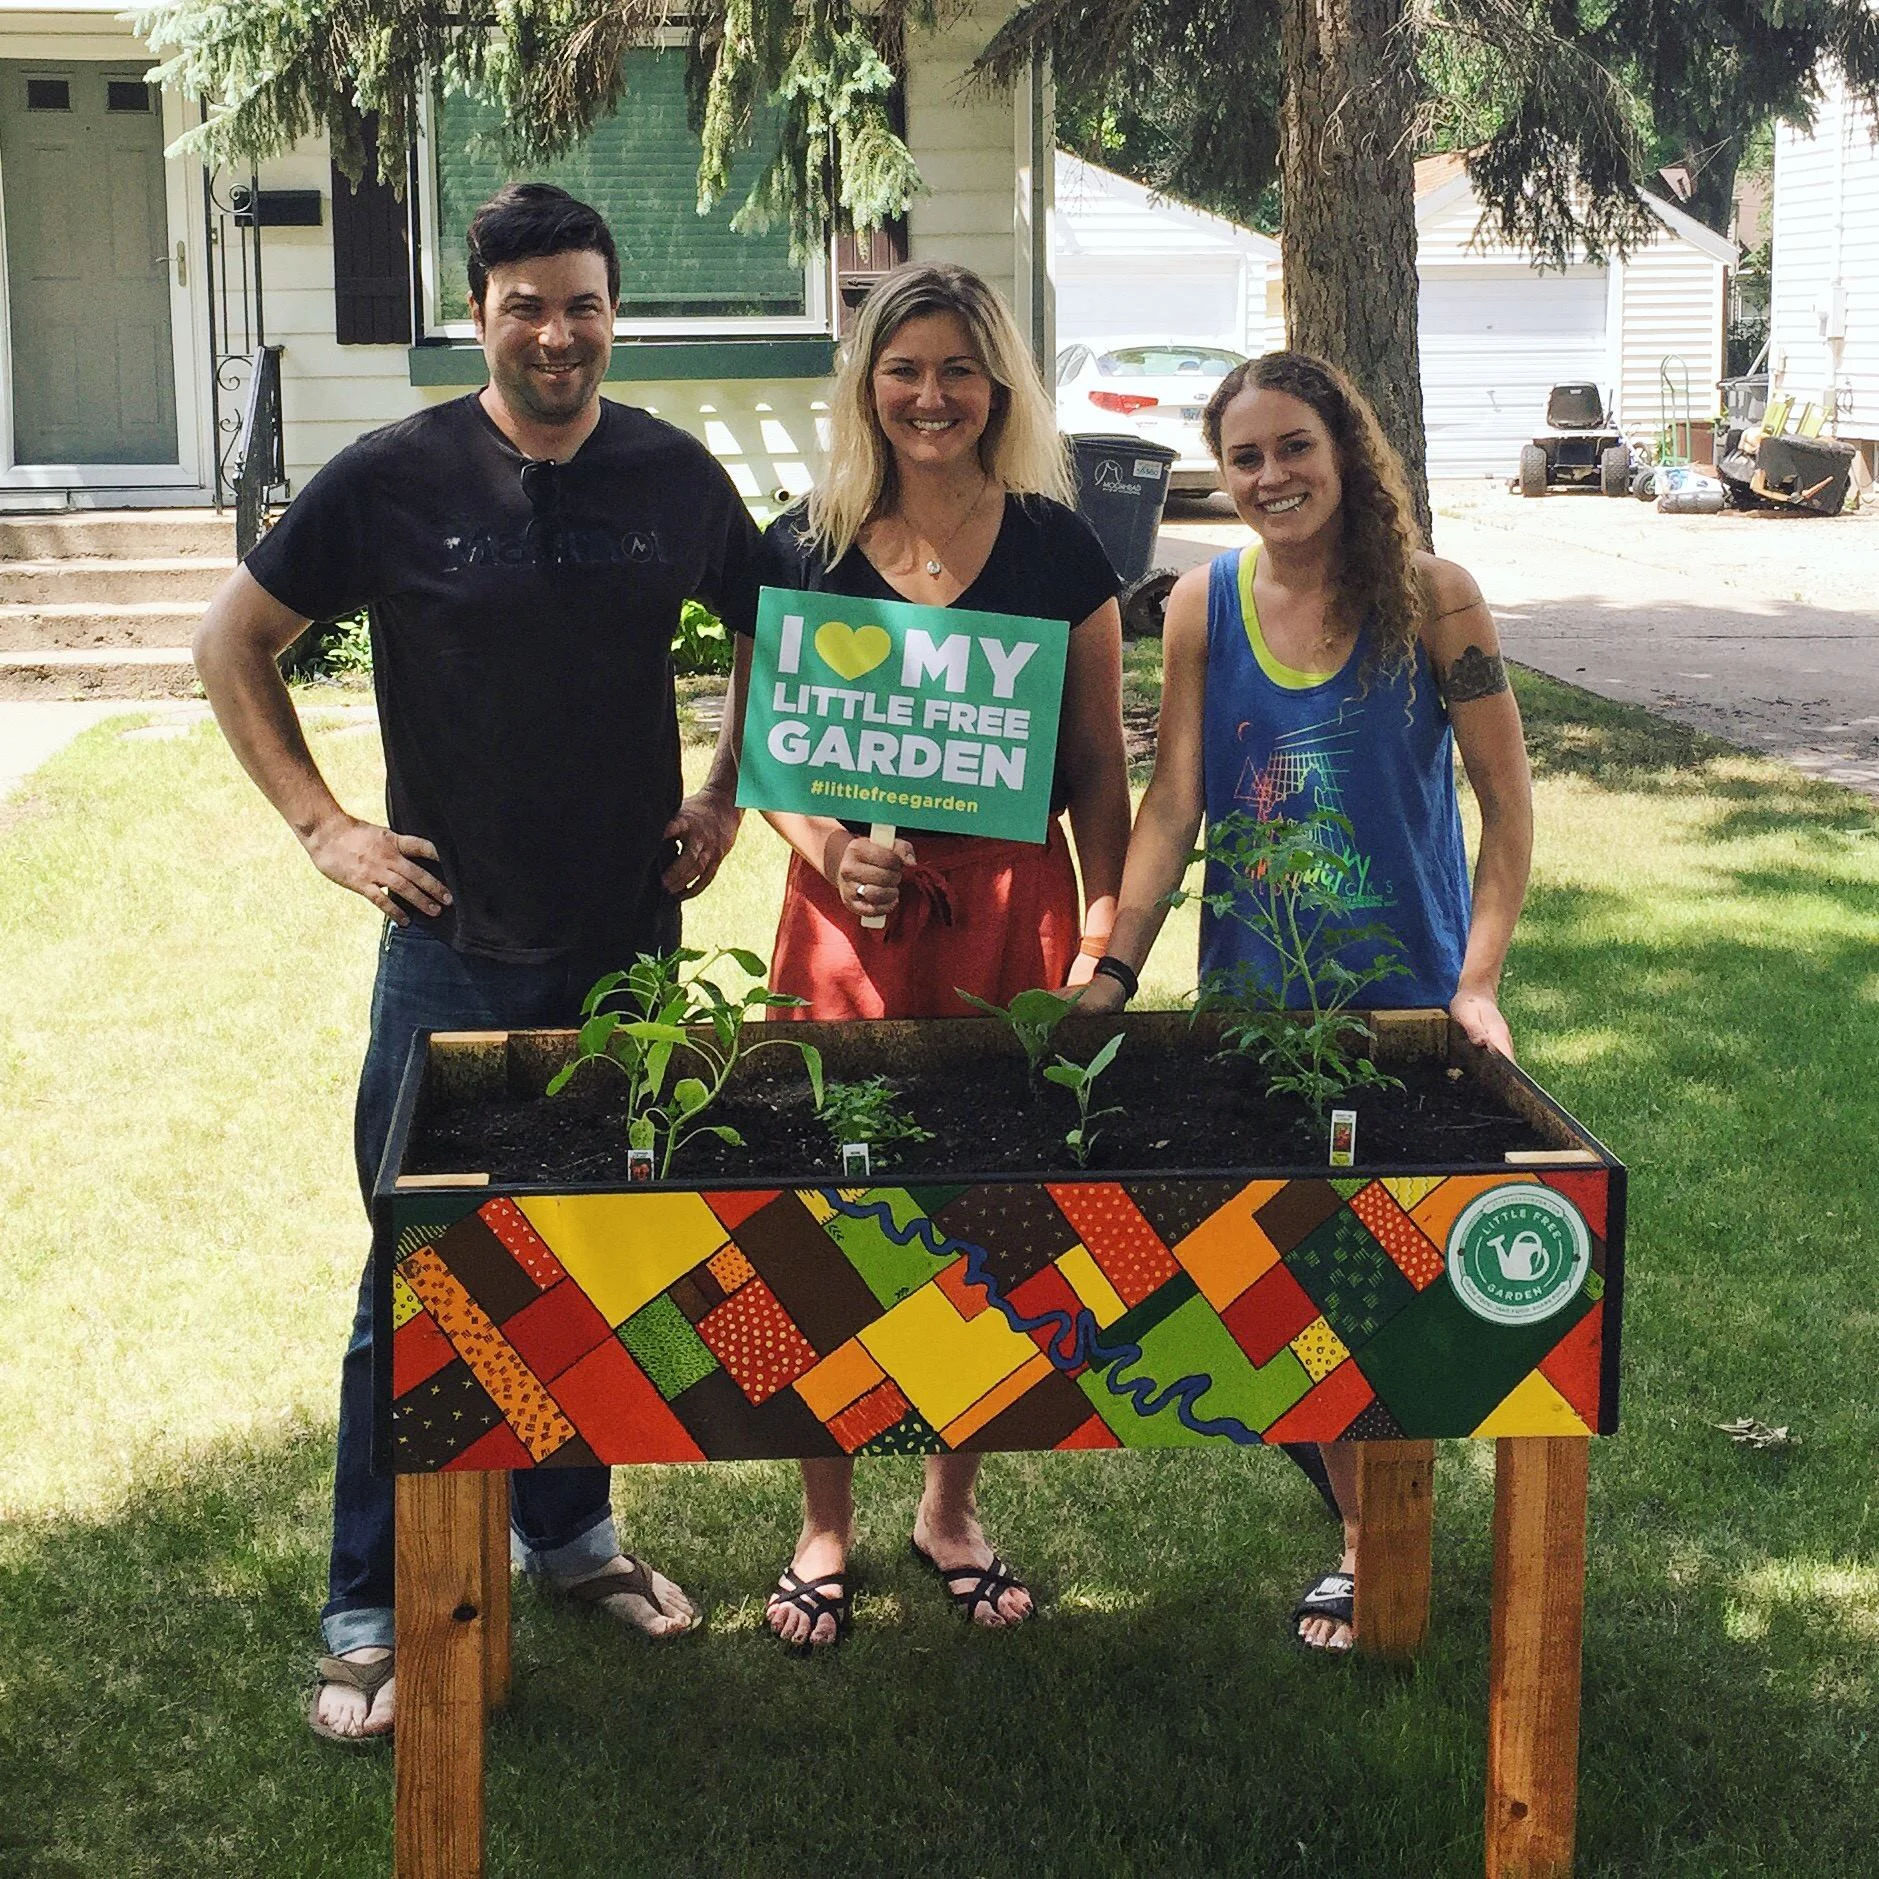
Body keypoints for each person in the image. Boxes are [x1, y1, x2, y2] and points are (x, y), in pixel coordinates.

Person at [193, 183, 764, 1741]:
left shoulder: (672, 476)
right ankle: (367, 1607)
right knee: (415, 1277)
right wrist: (324, 825)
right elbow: (231, 640)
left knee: (587, 1257)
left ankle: (568, 1533)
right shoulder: (393, 477)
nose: (555, 333)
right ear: (478, 315)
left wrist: (724, 789)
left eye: (582, 304)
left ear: (613, 315)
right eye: (526, 305)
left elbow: (780, 626)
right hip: (451, 950)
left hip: (627, 950)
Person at [1076, 350, 1534, 1653]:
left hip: (1404, 1008)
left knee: (1385, 1291)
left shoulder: (1437, 601)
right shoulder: (1201, 606)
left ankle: (1369, 1540)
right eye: (1245, 456)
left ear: (1345, 455)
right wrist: (1114, 964)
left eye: (1294, 448)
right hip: (1256, 1009)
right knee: (1279, 1295)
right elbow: (1174, 801)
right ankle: (1368, 1528)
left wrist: (1477, 983)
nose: (1271, 475)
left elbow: (1506, 812)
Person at [757, 261, 1133, 1649]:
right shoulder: (804, 542)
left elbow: (1098, 770)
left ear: (999, 387)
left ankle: (949, 1508)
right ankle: (822, 1522)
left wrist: (1104, 939)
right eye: (904, 368)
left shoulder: (1057, 548)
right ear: (868, 383)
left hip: (1010, 916)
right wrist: (827, 848)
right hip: (846, 922)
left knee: (993, 1210)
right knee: (824, 1207)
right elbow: (769, 752)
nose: (930, 395)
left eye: (957, 370)